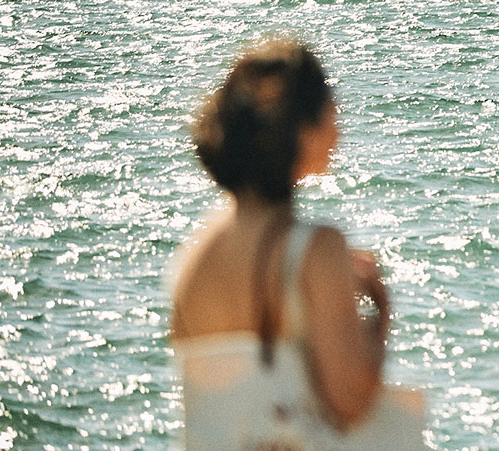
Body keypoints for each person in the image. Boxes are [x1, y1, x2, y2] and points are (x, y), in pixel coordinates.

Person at [169, 38, 418, 448]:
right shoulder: (315, 249)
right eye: (330, 112)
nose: (339, 130)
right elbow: (352, 400)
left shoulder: (196, 255)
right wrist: (380, 309)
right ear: (301, 130)